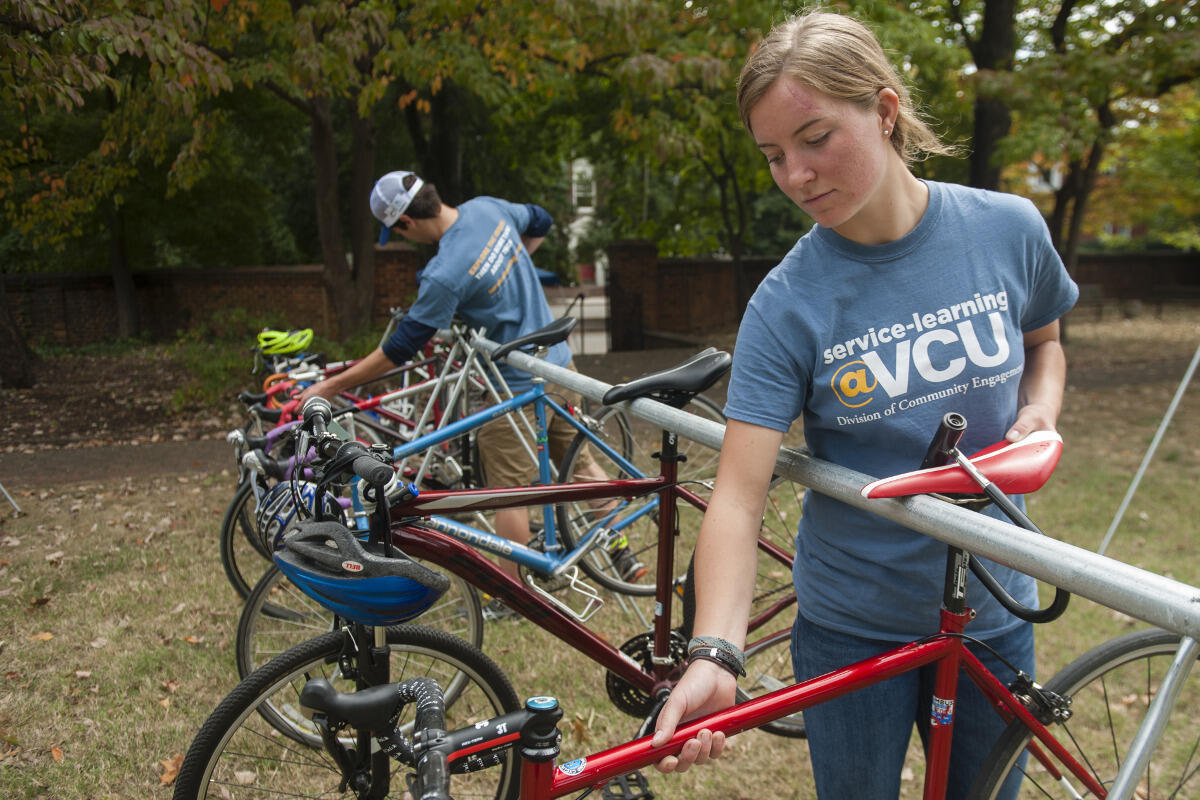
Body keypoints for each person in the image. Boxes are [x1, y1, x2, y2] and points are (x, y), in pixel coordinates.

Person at [649, 10, 1078, 799]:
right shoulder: (786, 304)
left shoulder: (1008, 227)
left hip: (997, 607)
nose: (796, 176)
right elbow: (740, 497)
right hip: (852, 627)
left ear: (884, 111)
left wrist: (1041, 411)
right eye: (774, 155)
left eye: (815, 139)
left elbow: (1045, 341)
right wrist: (715, 650)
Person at [298, 171, 643, 611]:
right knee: (580, 463)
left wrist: (330, 385)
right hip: (560, 365)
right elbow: (540, 219)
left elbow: (400, 348)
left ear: (405, 223)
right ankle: (622, 552)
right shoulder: (488, 208)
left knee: (506, 490)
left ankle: (512, 595)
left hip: (514, 385)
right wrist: (512, 258)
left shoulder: (445, 273)